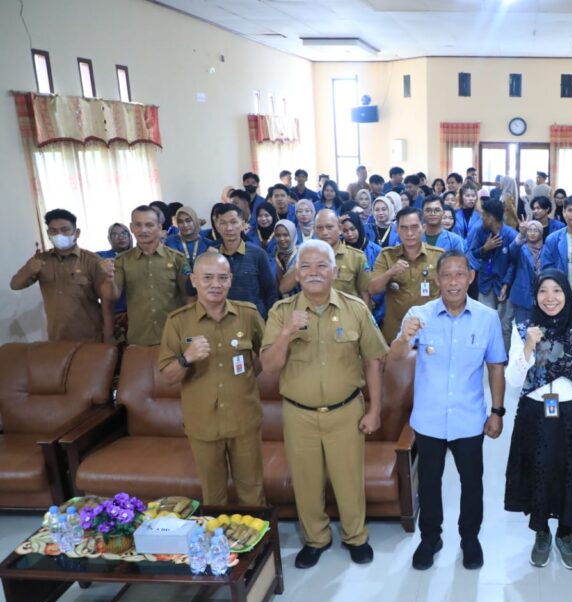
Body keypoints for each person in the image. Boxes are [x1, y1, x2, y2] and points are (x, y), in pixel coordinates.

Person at [261, 239, 388, 569]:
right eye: (306, 266)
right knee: (305, 482)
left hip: (346, 410)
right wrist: (288, 332)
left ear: (335, 271)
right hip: (298, 413)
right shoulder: (280, 312)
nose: (314, 272)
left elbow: (374, 360)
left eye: (321, 266)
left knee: (348, 479)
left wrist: (374, 410)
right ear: (297, 274)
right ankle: (315, 539)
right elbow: (270, 366)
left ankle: (355, 537)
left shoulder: (356, 308)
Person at [390, 250, 506, 570]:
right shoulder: (419, 314)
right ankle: (431, 538)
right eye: (447, 275)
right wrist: (404, 337)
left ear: (470, 278)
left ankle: (470, 538)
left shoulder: (487, 318)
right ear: (437, 279)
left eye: (460, 274)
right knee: (429, 484)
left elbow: (496, 366)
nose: (453, 281)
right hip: (428, 420)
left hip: (469, 419)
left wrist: (497, 411)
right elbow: (396, 357)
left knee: (472, 484)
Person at [505, 269, 572, 569]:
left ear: (567, 294)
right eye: (543, 291)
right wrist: (528, 346)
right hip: (534, 414)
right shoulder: (523, 328)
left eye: (557, 291)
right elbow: (512, 381)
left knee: (569, 475)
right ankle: (542, 533)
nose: (550, 298)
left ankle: (564, 534)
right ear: (535, 296)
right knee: (539, 474)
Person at [158, 251, 266, 506]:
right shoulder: (177, 322)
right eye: (207, 278)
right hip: (203, 424)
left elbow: (266, 359)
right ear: (194, 280)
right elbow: (168, 376)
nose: (215, 284)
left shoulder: (248, 314)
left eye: (222, 278)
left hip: (244, 421)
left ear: (230, 280)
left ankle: (259, 545)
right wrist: (187, 358)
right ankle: (220, 545)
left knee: (253, 492)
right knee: (214, 496)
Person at [10, 208, 115, 343]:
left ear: (76, 233)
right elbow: (15, 285)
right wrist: (29, 270)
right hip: (57, 338)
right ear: (48, 233)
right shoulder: (40, 259)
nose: (59, 235)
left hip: (90, 337)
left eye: (65, 230)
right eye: (53, 231)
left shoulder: (92, 260)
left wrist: (108, 336)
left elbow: (107, 302)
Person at [113, 205, 192, 346]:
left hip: (173, 338)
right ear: (131, 227)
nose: (143, 230)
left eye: (149, 225)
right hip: (139, 340)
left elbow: (189, 298)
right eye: (138, 225)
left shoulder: (177, 259)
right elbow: (112, 295)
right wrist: (105, 274)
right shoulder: (122, 261)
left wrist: (189, 333)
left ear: (159, 227)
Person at [370, 207, 444, 343]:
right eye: (404, 228)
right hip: (396, 332)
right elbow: (373, 289)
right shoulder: (387, 255)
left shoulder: (438, 256)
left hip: (429, 330)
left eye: (414, 227)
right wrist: (390, 272)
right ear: (397, 229)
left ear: (423, 227)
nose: (409, 233)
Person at [280, 210, 371, 308]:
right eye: (319, 228)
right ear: (314, 230)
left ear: (340, 229)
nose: (324, 232)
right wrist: (303, 262)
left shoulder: (356, 257)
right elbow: (284, 288)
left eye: (329, 227)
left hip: (346, 317)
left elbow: (365, 295)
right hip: (314, 316)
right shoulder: (305, 256)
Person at [209, 203, 278, 318]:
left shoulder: (258, 254)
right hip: (221, 319)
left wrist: (269, 320)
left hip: (254, 320)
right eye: (223, 223)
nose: (229, 228)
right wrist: (208, 260)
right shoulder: (211, 255)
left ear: (242, 224)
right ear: (217, 226)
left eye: (233, 222)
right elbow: (194, 290)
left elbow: (270, 292)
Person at [467, 199, 519, 349]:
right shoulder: (480, 231)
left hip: (504, 284)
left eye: (483, 215)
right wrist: (485, 248)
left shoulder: (510, 235)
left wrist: (506, 284)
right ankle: (484, 352)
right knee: (484, 321)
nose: (481, 218)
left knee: (504, 323)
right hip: (485, 283)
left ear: (491, 218)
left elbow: (514, 263)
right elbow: (473, 254)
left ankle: (503, 357)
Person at [385, 195, 465, 251]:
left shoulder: (455, 240)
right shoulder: (410, 237)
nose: (432, 213)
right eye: (428, 210)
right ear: (422, 213)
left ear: (443, 213)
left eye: (437, 210)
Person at [97, 221, 132, 335]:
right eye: (115, 234)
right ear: (109, 239)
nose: (120, 237)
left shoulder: (139, 255)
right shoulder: (102, 256)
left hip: (138, 312)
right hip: (114, 313)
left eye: (124, 233)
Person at [508, 220, 545, 324]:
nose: (532, 233)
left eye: (536, 230)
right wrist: (521, 233)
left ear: (541, 233)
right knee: (522, 329)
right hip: (522, 296)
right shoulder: (521, 248)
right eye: (529, 230)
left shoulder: (546, 249)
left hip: (542, 294)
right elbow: (512, 251)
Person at [271, 219, 299, 293]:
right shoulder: (272, 255)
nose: (281, 239)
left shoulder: (301, 255)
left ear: (292, 234)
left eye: (286, 235)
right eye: (278, 235)